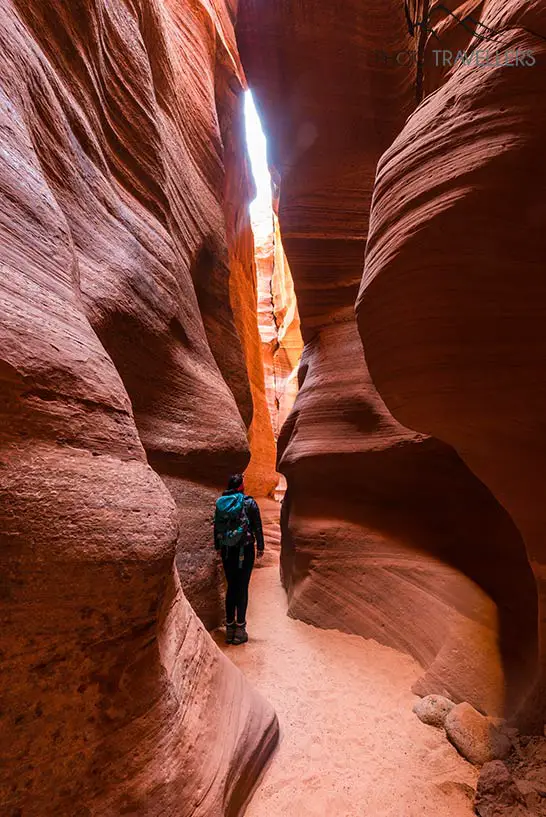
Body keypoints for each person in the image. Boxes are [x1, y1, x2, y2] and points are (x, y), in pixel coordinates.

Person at [214, 474, 264, 645]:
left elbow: (217, 527)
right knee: (242, 588)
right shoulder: (248, 502)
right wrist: (261, 547)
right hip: (245, 550)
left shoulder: (222, 503)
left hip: (228, 550)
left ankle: (229, 630)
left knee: (231, 587)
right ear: (241, 486)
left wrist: (218, 547)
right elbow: (257, 526)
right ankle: (240, 630)